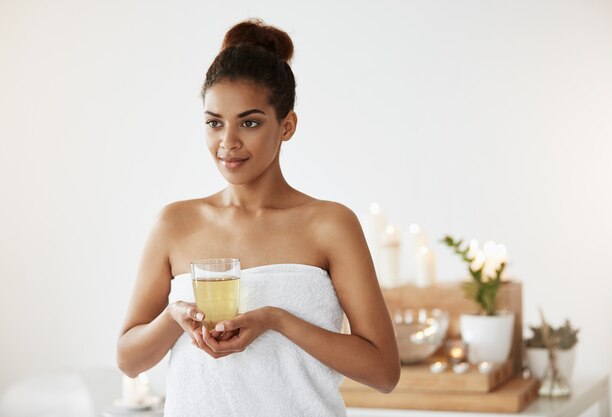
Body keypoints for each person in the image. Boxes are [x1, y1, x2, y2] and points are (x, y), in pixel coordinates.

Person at [116, 18, 400, 417]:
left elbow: (384, 372)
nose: (227, 143)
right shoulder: (174, 224)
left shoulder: (330, 225)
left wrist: (277, 320)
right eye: (214, 123)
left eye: (249, 123)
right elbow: (129, 360)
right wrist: (174, 315)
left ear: (287, 126)